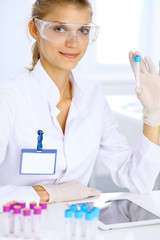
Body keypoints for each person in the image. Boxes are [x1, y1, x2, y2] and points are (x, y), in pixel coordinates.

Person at [0, 0, 160, 206]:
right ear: (35, 29)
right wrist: (50, 194)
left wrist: (154, 114)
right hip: (19, 229)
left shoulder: (93, 96)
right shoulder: (10, 98)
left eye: (83, 30)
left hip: (76, 229)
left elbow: (139, 181)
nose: (74, 42)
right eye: (59, 29)